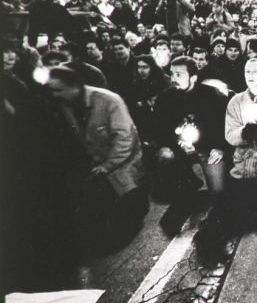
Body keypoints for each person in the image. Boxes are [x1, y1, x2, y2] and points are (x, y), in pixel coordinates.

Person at [194, 57, 257, 266]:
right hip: (243, 171)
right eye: (247, 72)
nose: (250, 76)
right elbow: (230, 135)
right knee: (223, 214)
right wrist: (244, 133)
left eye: (255, 71)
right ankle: (210, 253)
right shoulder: (236, 102)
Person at [44, 66, 147, 248]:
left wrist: (106, 166)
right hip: (96, 162)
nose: (55, 94)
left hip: (124, 161)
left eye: (59, 90)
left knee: (129, 210)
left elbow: (125, 140)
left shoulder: (109, 101)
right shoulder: (65, 105)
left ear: (74, 86)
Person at [152, 56, 229, 234]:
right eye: (172, 74)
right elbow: (159, 129)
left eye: (179, 74)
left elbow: (223, 126)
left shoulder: (212, 95)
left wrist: (217, 147)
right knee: (165, 156)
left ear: (193, 77)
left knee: (218, 190)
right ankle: (186, 189)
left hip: (207, 147)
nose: (173, 78)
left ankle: (204, 196)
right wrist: (178, 143)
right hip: (180, 149)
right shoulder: (165, 98)